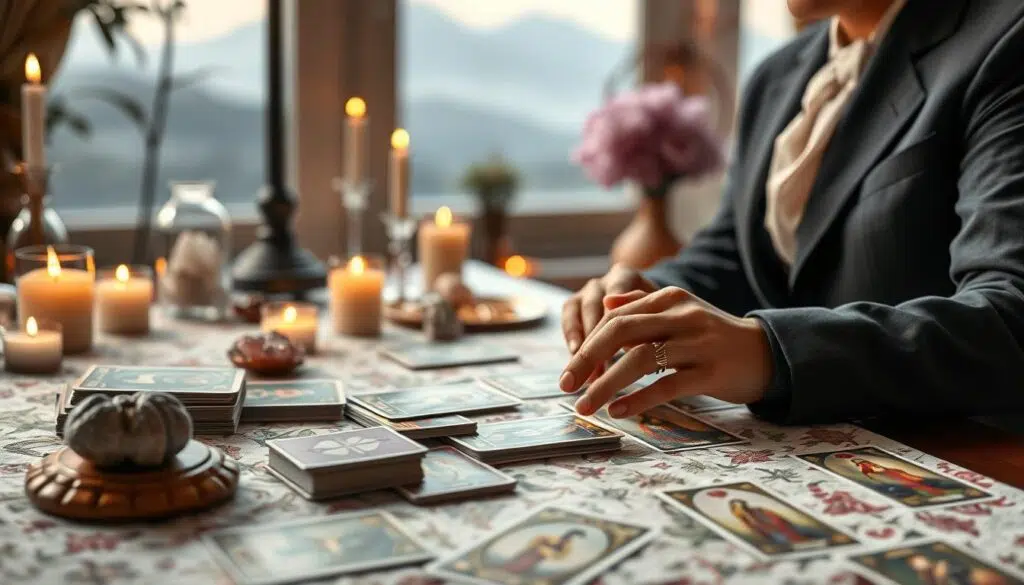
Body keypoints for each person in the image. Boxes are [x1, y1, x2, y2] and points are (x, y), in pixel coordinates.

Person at [559, 0, 1024, 424]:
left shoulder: (1005, 41)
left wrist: (773, 352)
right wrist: (647, 302)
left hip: (962, 455)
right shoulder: (777, 76)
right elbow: (738, 254)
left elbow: (1010, 315)